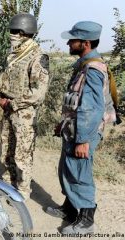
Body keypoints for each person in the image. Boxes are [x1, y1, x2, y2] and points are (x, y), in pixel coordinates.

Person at [45, 21, 116, 234]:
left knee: (79, 173)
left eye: (72, 40)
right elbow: (76, 102)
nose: (68, 42)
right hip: (75, 129)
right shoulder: (85, 65)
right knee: (69, 169)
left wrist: (83, 140)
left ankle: (86, 221)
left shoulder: (93, 69)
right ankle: (69, 210)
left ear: (84, 43)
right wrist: (63, 123)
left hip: (84, 132)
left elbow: (92, 109)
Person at [0, 13, 49, 199]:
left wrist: (14, 103)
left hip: (23, 114)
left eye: (15, 32)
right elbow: (0, 79)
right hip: (7, 111)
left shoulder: (37, 57)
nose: (11, 35)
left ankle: (23, 191)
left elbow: (39, 92)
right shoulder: (11, 56)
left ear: (25, 33)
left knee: (23, 155)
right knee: (7, 150)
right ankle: (8, 184)